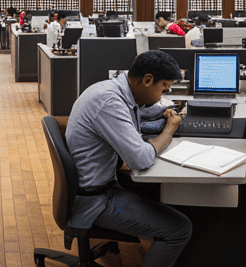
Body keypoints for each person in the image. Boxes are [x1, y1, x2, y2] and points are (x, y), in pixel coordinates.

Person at [66, 51, 192, 267]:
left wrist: (162, 109)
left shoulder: (112, 90)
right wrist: (169, 131)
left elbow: (140, 111)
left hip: (99, 186)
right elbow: (141, 159)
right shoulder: (108, 102)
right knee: (179, 229)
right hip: (96, 201)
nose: (164, 94)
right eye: (164, 88)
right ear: (148, 80)